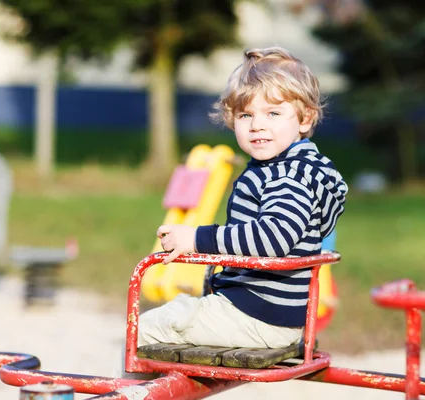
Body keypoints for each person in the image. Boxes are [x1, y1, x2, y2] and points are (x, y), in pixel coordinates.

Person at [139, 46, 348, 350]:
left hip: (258, 315)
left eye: (273, 113)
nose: (257, 125)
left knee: (142, 330)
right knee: (175, 321)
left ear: (305, 119)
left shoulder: (287, 176)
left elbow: (273, 238)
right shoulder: (303, 169)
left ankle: (128, 396)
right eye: (245, 114)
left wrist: (197, 238)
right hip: (275, 314)